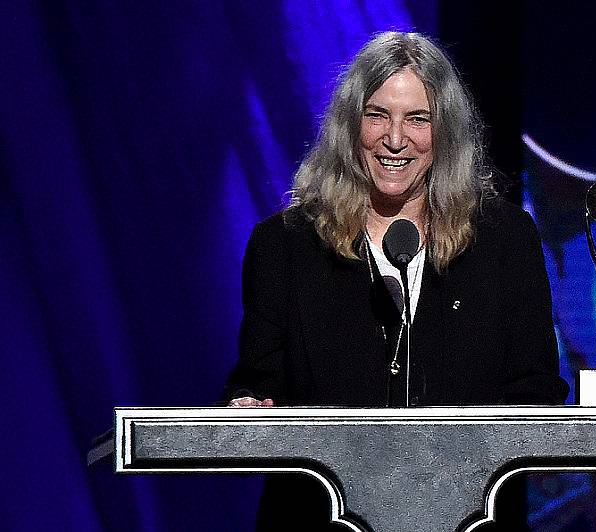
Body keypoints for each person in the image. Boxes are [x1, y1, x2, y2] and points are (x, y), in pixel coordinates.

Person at [222, 31, 569, 530]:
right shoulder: (286, 246)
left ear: (444, 133)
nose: (395, 139)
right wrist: (248, 406)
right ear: (350, 125)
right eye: (378, 114)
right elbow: (258, 384)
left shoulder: (504, 241)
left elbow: (535, 391)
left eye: (417, 119)